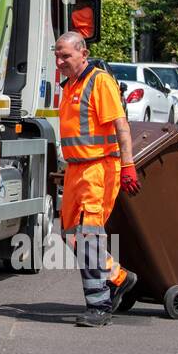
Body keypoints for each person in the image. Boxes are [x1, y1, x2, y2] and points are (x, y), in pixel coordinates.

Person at [54, 30, 139, 327]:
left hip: (98, 169)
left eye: (66, 55)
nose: (60, 60)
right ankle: (118, 277)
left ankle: (99, 306)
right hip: (76, 169)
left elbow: (120, 125)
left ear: (83, 54)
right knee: (70, 234)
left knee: (89, 237)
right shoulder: (69, 86)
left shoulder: (99, 81)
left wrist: (128, 165)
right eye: (57, 54)